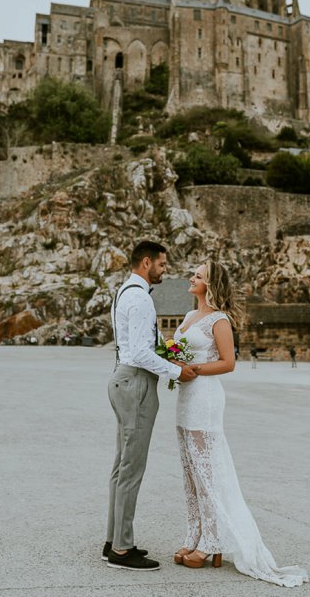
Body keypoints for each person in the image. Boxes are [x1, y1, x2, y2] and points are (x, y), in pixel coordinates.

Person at [170, 261, 308, 586]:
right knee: (190, 473)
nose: (192, 278)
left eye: (199, 276)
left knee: (207, 474)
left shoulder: (219, 319)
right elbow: (177, 349)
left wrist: (194, 370)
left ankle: (210, 544)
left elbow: (229, 363)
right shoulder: (190, 317)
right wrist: (171, 358)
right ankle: (194, 535)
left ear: (211, 284)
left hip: (204, 397)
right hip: (185, 398)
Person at [105, 240, 197, 571]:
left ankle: (113, 540)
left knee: (121, 466)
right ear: (146, 263)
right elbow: (142, 353)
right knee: (131, 468)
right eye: (162, 264)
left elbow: (143, 343)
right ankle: (121, 549)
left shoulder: (122, 293)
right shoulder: (140, 298)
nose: (164, 269)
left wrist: (172, 350)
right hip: (136, 383)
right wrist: (178, 371)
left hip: (122, 380)